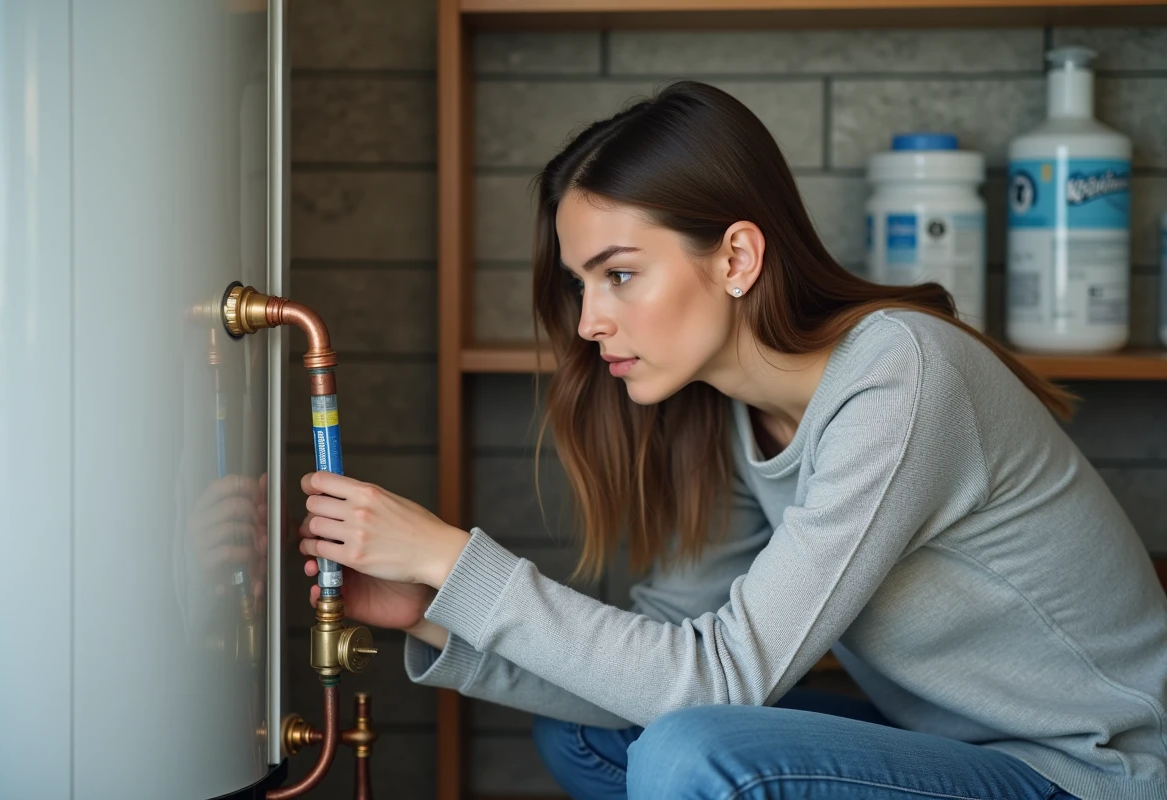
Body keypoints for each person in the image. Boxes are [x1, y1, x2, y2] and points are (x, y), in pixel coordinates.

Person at [294, 81, 1167, 800]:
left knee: (689, 755)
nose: (590, 322)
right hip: (957, 751)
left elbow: (718, 681)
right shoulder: (727, 408)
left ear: (738, 259)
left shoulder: (901, 374)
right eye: (580, 286)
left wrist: (450, 558)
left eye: (620, 274)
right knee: (591, 731)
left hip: (1092, 773)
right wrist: (434, 611)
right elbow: (664, 653)